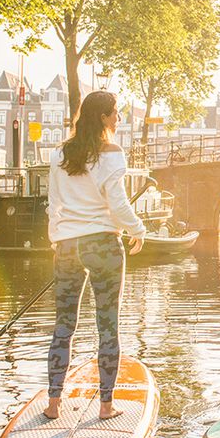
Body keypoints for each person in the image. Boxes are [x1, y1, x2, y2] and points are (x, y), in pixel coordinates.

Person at [44, 91, 146, 420]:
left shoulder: (61, 152)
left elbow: (53, 203)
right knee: (108, 326)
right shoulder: (111, 153)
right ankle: (106, 406)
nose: (119, 118)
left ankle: (53, 404)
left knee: (63, 325)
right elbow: (117, 203)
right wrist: (137, 229)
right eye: (116, 113)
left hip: (68, 245)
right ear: (103, 117)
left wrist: (55, 238)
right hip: (102, 243)